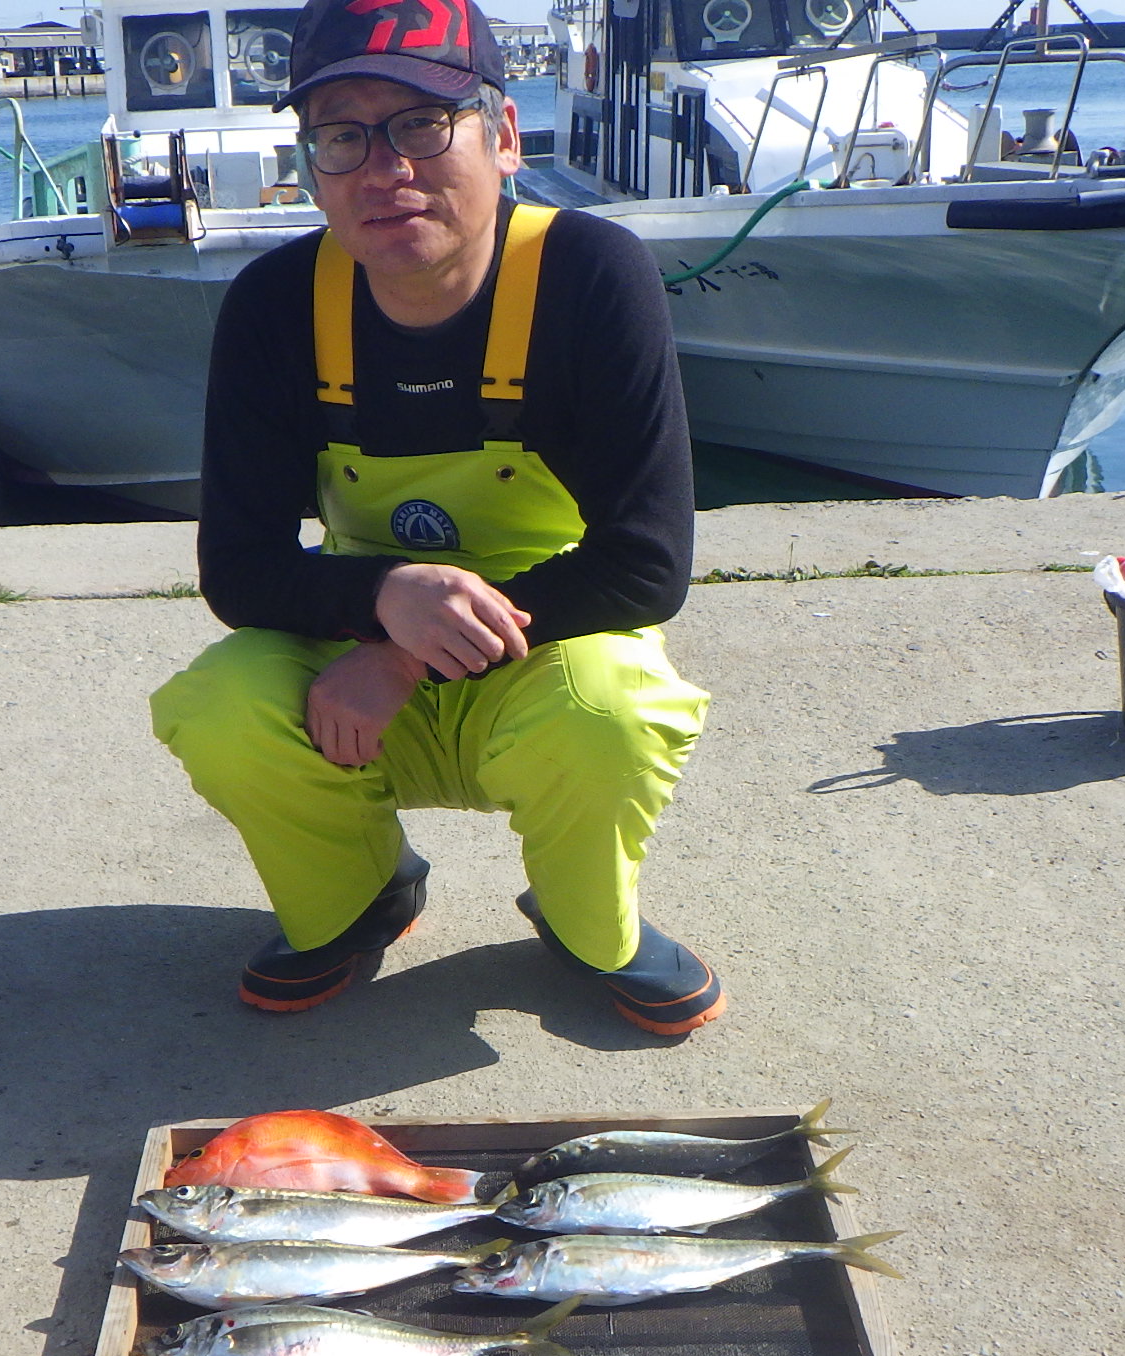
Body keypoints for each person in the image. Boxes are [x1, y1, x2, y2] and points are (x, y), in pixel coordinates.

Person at [150, 0, 722, 1034]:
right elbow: (238, 567)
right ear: (312, 163)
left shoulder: (593, 277)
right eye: (342, 135)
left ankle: (590, 920)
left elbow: (646, 565)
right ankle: (361, 896)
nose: (383, 167)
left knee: (613, 716)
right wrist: (381, 598)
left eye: (422, 123)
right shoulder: (275, 304)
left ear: (504, 138)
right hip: (357, 670)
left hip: (544, 658)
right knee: (221, 704)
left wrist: (409, 652)